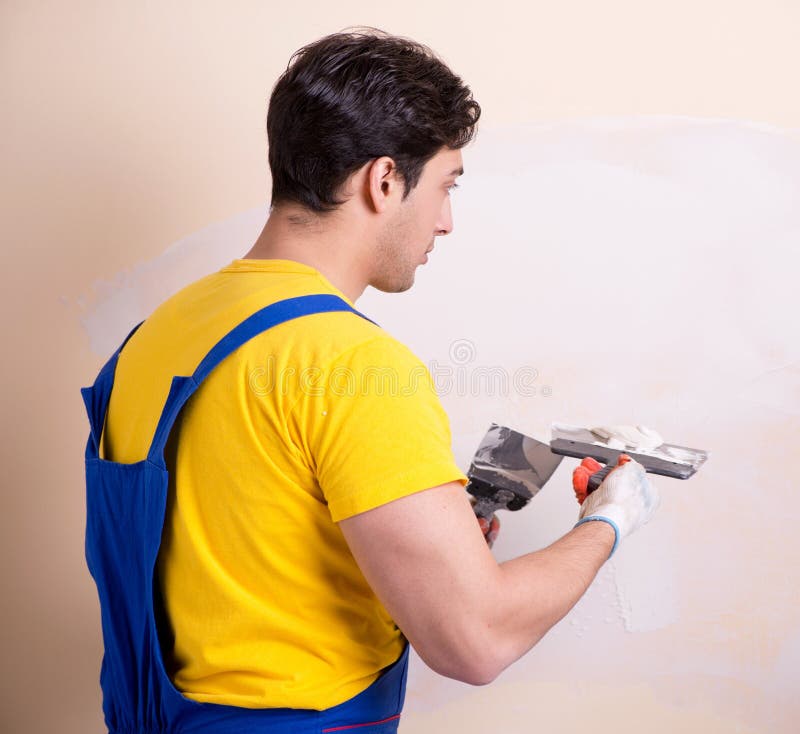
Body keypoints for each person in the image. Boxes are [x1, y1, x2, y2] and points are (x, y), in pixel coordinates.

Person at [83, 28, 659, 734]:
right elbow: (475, 640)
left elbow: (237, 552)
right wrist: (609, 519)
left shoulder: (157, 334)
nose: (446, 221)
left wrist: (427, 549)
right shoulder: (351, 364)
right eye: (446, 185)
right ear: (383, 181)